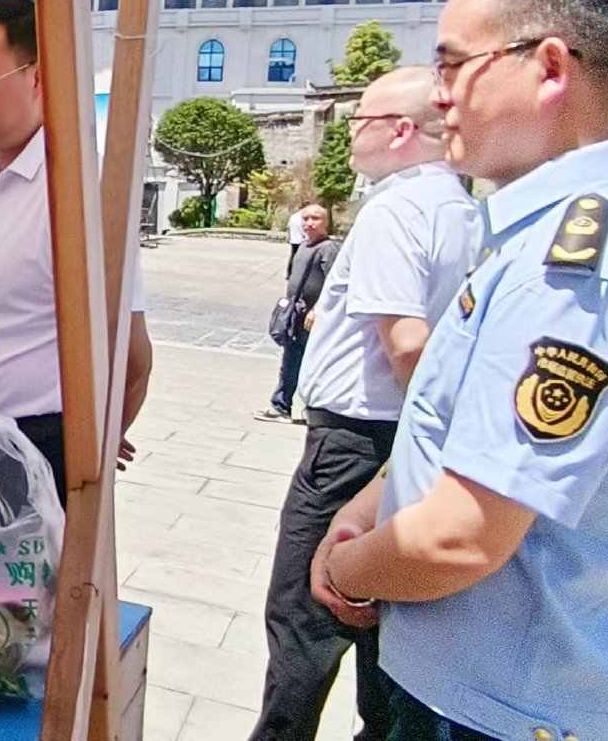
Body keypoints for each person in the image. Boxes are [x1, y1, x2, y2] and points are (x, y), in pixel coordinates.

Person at [310, 0, 608, 741]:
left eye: (456, 65)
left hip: (494, 709)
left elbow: (461, 537)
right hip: (460, 684)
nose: (440, 96)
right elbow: (460, 421)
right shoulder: (538, 238)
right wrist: (371, 503)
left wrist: (343, 569)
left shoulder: (580, 271)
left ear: (551, 67)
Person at [249, 67, 478, 741]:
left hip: (356, 446)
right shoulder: (464, 210)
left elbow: (407, 342)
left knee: (303, 621)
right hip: (406, 442)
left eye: (360, 120)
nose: (351, 135)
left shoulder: (395, 209)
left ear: (401, 130)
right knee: (386, 630)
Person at [0, 0, 153, 504]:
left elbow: (131, 357)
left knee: (24, 588)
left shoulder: (78, 187)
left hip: (29, 455)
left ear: (38, 76)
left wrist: (85, 456)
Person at [257, 205, 336, 423]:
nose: (310, 223)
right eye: (306, 218)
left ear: (326, 222)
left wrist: (318, 308)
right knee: (290, 360)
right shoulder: (303, 246)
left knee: (308, 362)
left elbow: (333, 283)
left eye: (316, 218)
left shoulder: (327, 249)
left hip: (311, 318)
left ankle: (309, 408)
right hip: (295, 314)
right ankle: (281, 405)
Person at [286, 207, 307, 275]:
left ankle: (289, 272)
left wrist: (289, 237)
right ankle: (297, 272)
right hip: (301, 240)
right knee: (300, 257)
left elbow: (288, 227)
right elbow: (303, 229)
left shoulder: (293, 216)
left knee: (293, 256)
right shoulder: (302, 218)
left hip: (293, 240)